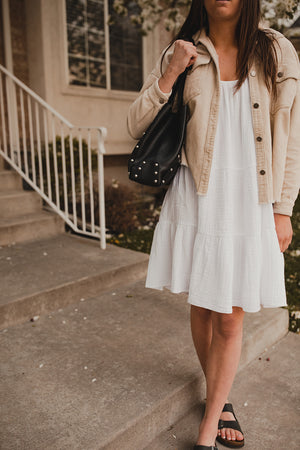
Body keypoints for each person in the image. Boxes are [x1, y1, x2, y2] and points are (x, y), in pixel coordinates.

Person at [127, 0, 300, 449]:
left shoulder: (276, 51)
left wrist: (284, 208)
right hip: (197, 196)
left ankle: (207, 431)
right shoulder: (182, 52)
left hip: (250, 201)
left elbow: (294, 136)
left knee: (230, 316)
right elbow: (135, 124)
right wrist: (169, 73)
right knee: (203, 305)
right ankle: (221, 400)